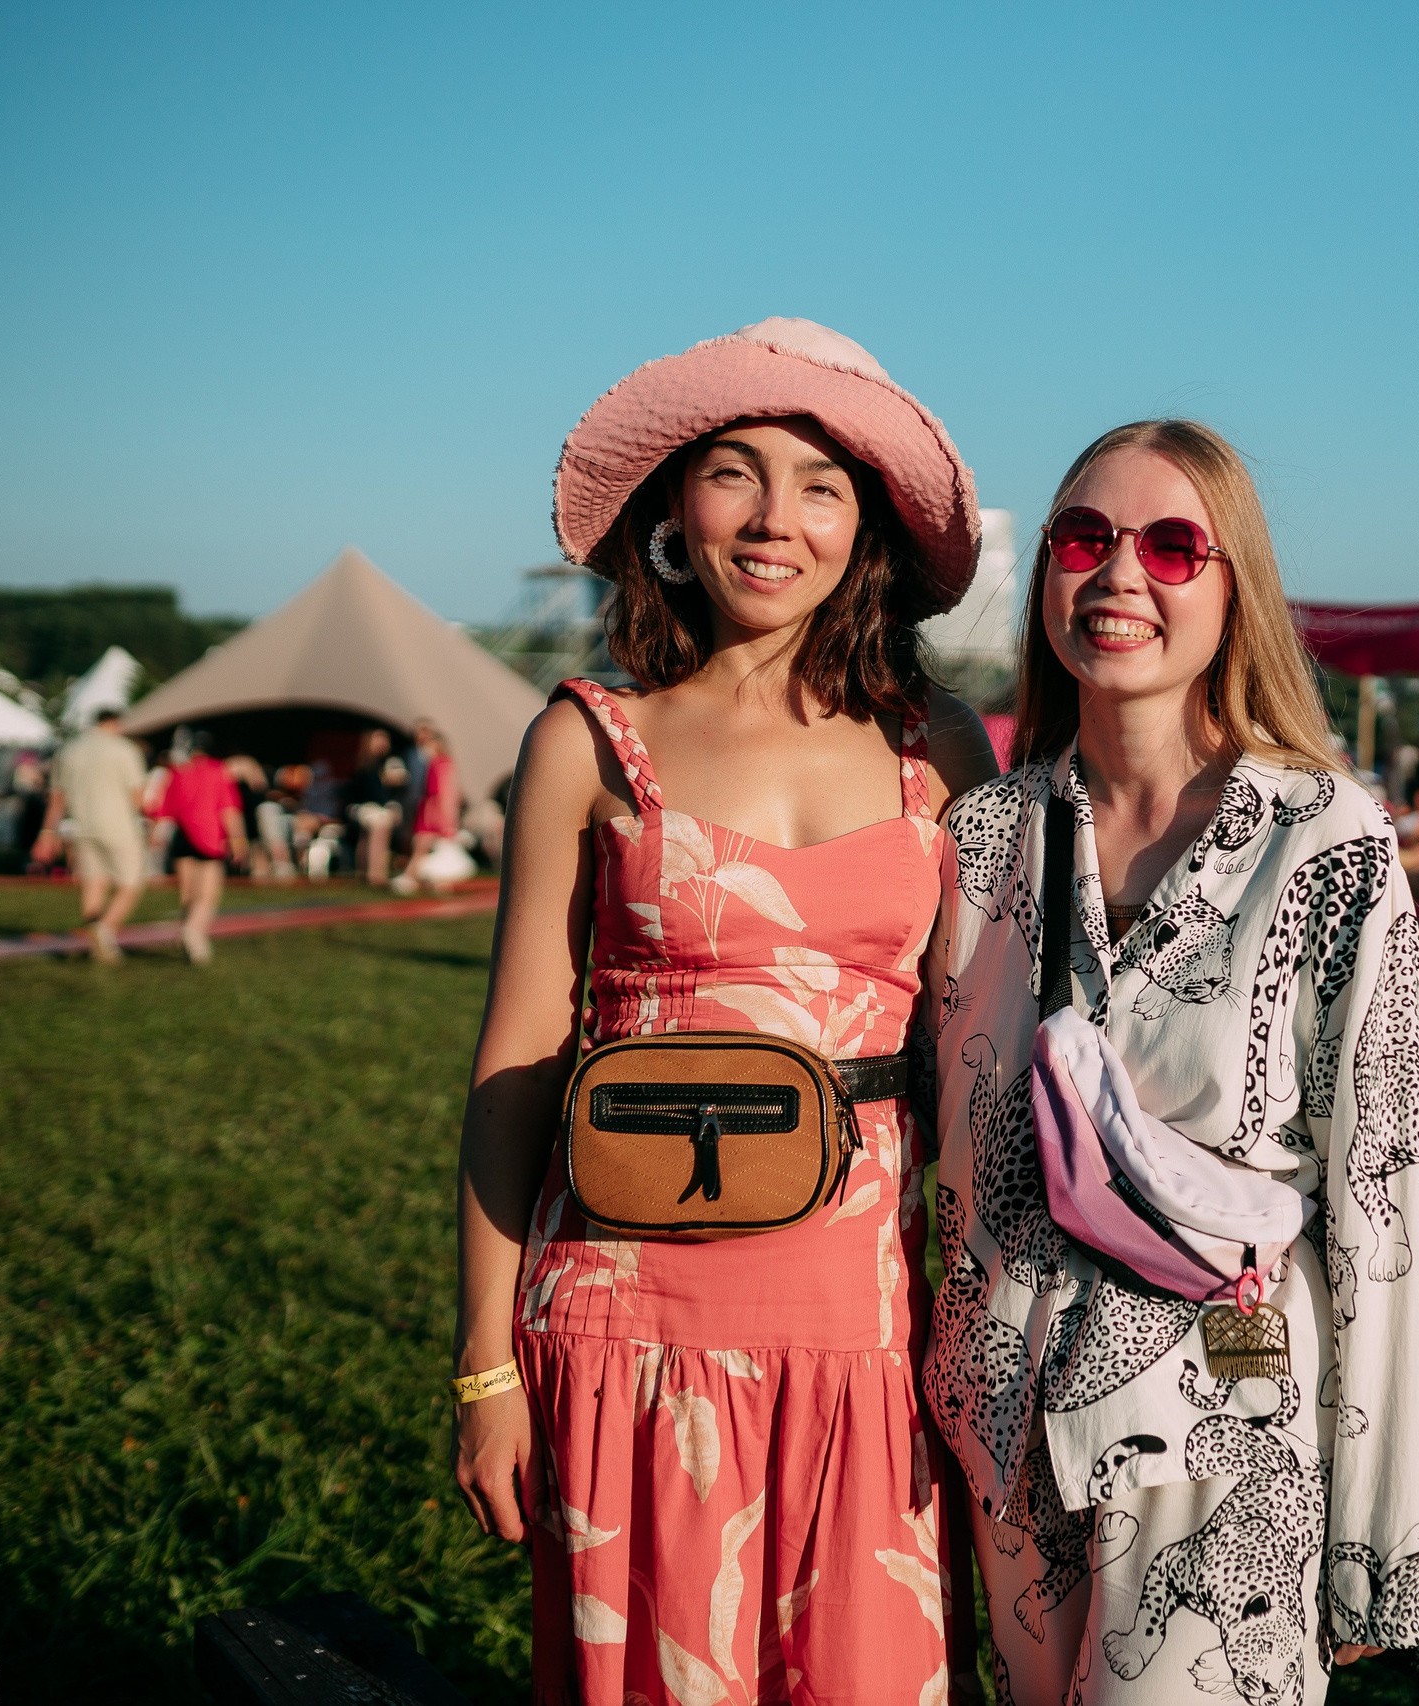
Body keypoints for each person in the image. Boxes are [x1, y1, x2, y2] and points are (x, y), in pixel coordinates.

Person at [451, 318, 998, 1704]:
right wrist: (483, 1369)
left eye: (821, 483)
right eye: (734, 473)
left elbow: (986, 1055)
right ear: (673, 512)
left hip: (864, 1315)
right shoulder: (587, 736)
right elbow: (517, 1058)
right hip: (626, 1315)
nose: (775, 519)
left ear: (864, 524)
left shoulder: (940, 745)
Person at [926, 420, 1419, 1703]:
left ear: (1233, 586)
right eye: (1084, 539)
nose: (1118, 576)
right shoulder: (981, 836)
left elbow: (1381, 1196)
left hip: (1226, 1445)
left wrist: (1378, 1548)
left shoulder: (1329, 841)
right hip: (1001, 1432)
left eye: (1170, 545)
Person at [33, 705, 149, 963]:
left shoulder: (69, 750)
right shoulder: (124, 750)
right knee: (131, 884)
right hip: (119, 826)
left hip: (81, 825)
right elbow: (138, 797)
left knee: (93, 883)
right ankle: (104, 930)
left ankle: (96, 943)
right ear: (115, 723)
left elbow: (56, 798)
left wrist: (47, 831)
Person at [154, 731, 247, 965]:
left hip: (181, 836)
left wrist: (155, 834)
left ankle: (185, 932)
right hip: (209, 837)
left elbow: (164, 809)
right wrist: (238, 839)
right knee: (208, 894)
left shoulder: (177, 772)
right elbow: (228, 809)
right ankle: (194, 934)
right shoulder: (218, 770)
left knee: (188, 894)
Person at [393, 725, 463, 894]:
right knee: (435, 849)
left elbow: (435, 790)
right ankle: (432, 881)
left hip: (432, 813)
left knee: (421, 849)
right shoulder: (447, 763)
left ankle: (411, 877)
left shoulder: (436, 764)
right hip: (441, 813)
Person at [343, 729, 405, 884]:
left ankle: (369, 872)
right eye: (379, 739)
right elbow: (366, 794)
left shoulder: (389, 763)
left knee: (377, 825)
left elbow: (393, 793)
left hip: (378, 808)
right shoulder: (364, 764)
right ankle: (375, 875)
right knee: (379, 825)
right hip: (360, 807)